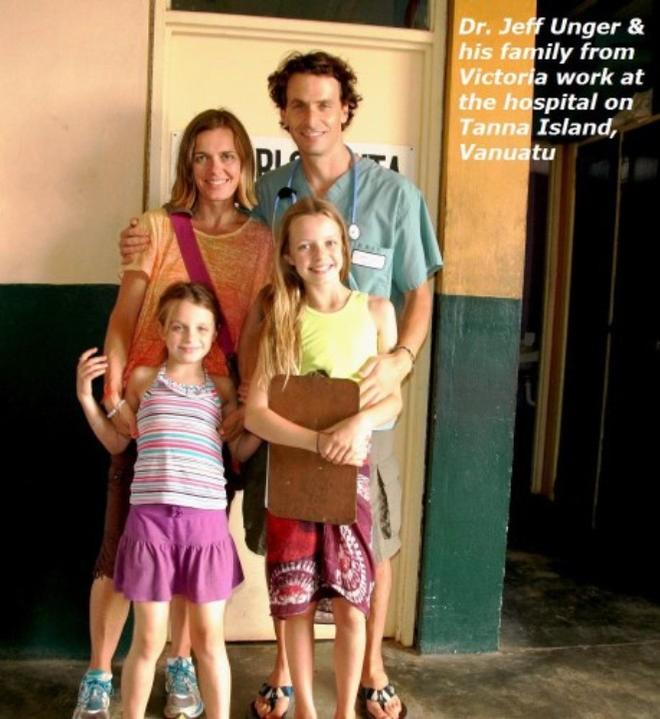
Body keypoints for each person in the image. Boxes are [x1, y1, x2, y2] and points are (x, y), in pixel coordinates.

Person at [120, 50, 441, 719]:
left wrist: (403, 359)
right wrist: (147, 231)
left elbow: (420, 291)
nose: (312, 116)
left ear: (346, 109)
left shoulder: (396, 196)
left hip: (365, 404)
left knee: (368, 542)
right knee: (288, 549)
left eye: (325, 103)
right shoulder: (270, 190)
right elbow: (211, 222)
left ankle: (371, 669)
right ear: (284, 114)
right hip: (281, 402)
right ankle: (283, 672)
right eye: (298, 104)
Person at [72, 109, 272, 719]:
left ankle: (180, 664)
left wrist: (248, 406)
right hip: (145, 406)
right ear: (187, 163)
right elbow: (124, 314)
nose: (216, 169)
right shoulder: (156, 228)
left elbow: (260, 332)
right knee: (118, 554)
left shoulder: (261, 241)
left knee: (196, 557)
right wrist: (112, 398)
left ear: (245, 165)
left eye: (228, 156)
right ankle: (101, 674)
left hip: (214, 414)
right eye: (202, 156)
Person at [245, 197, 401, 719]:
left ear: (345, 247)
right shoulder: (282, 318)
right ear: (288, 256)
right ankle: (308, 709)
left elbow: (392, 398)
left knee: (354, 598)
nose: (320, 254)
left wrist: (358, 422)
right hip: (293, 476)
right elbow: (256, 413)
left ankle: (344, 713)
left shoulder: (376, 312)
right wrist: (314, 442)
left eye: (330, 243)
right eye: (306, 245)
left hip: (351, 474)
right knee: (296, 602)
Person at [77, 281, 259, 719]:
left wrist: (256, 418)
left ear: (215, 333)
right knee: (147, 640)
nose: (189, 338)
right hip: (150, 526)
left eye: (200, 328)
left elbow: (239, 452)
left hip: (206, 529)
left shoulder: (222, 390)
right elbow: (117, 442)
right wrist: (87, 397)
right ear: (161, 329)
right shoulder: (143, 381)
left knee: (209, 641)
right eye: (178, 327)